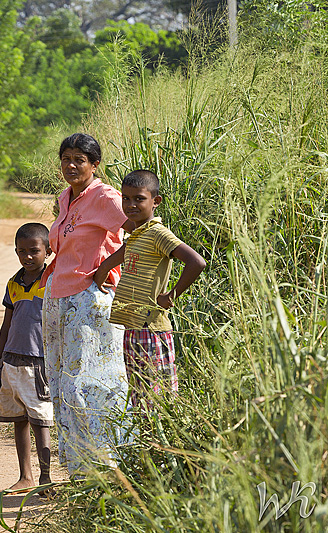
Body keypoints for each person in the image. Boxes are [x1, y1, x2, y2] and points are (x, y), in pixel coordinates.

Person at [40, 133, 134, 479]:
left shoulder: (105, 196)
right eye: (66, 158)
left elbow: (143, 231)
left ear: (95, 164)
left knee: (91, 382)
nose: (71, 165)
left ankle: (108, 466)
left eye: (80, 159)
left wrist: (107, 266)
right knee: (63, 382)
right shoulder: (66, 197)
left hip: (89, 301)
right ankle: (80, 472)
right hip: (59, 298)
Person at [94, 169, 206, 413]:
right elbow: (127, 251)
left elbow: (196, 262)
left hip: (150, 329)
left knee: (157, 401)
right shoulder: (138, 233)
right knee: (139, 399)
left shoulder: (157, 233)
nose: (131, 204)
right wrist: (104, 267)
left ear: (156, 202)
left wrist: (171, 296)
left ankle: (161, 449)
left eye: (139, 199)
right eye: (126, 198)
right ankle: (146, 448)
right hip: (133, 328)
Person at [0, 223, 53, 491]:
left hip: (39, 361)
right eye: (21, 251)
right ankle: (25, 476)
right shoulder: (13, 283)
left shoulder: (52, 280)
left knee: (41, 420)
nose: (27, 257)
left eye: (34, 251)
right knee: (19, 418)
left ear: (48, 251)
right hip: (12, 360)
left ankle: (46, 477)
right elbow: (7, 324)